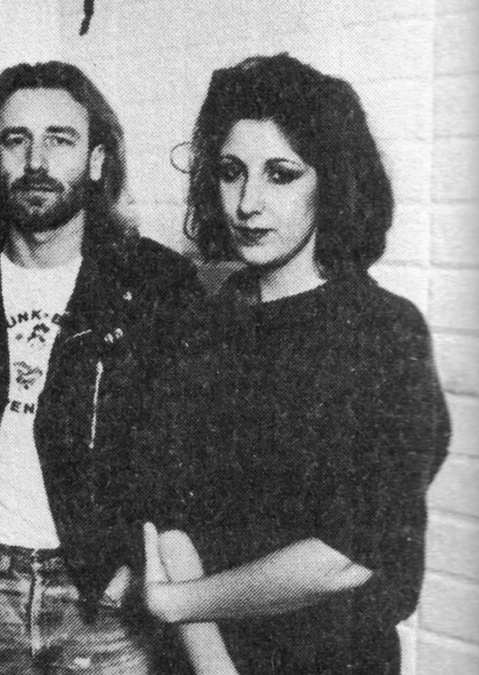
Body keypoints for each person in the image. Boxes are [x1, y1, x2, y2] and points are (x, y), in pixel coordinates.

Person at [135, 53, 451, 674]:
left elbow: (346, 558)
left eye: (281, 175)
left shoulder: (386, 332)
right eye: (231, 173)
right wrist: (214, 665)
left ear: (331, 183)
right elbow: (169, 513)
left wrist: (179, 604)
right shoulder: (201, 320)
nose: (247, 203)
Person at [0, 61, 206, 674]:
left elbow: (186, 455)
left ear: (96, 161)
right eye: (15, 140)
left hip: (102, 598)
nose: (36, 160)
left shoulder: (158, 285)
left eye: (60, 140)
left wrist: (131, 568)